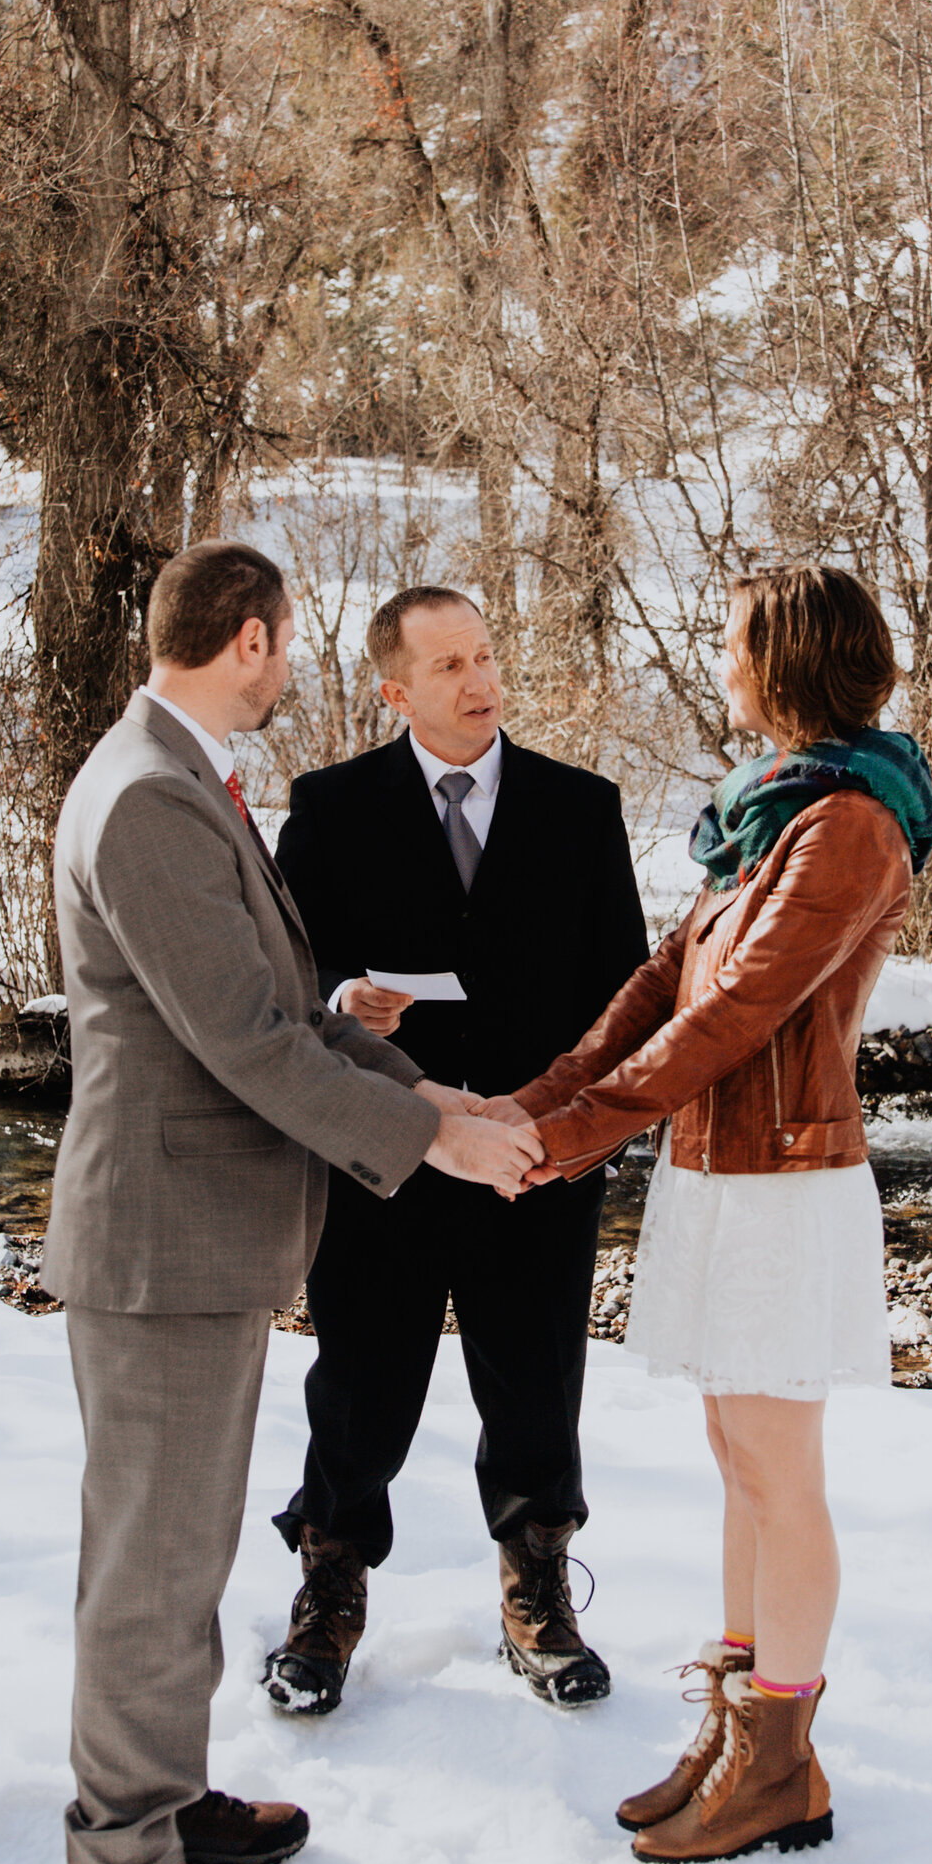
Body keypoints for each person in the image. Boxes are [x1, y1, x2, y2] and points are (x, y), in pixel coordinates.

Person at [44, 539, 537, 1864]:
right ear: (248, 641)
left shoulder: (179, 777)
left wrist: (435, 1097)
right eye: (287, 646)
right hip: (159, 1244)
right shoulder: (144, 797)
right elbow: (244, 1047)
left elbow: (284, 1011)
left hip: (200, 1241)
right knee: (149, 1569)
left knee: (183, 1547)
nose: (290, 671)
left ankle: (167, 1793)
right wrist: (428, 1145)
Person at [500, 564, 932, 1864]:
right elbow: (659, 984)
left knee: (781, 1473)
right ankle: (739, 1724)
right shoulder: (766, 811)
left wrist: (571, 1139)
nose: (717, 657)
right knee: (739, 1462)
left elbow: (736, 1012)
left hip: (787, 1188)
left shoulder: (850, 821)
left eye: (730, 639)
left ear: (787, 660)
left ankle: (780, 1759)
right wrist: (533, 1105)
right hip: (719, 1171)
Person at [263, 586, 649, 1714]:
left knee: (536, 1383)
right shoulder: (329, 807)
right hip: (384, 1154)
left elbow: (622, 995)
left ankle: (537, 1592)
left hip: (536, 1157)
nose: (479, 680)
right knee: (360, 1384)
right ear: (395, 689)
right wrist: (346, 994)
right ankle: (329, 1591)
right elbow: (293, 975)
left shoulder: (583, 807)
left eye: (484, 655)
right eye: (448, 666)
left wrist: (577, 1137)